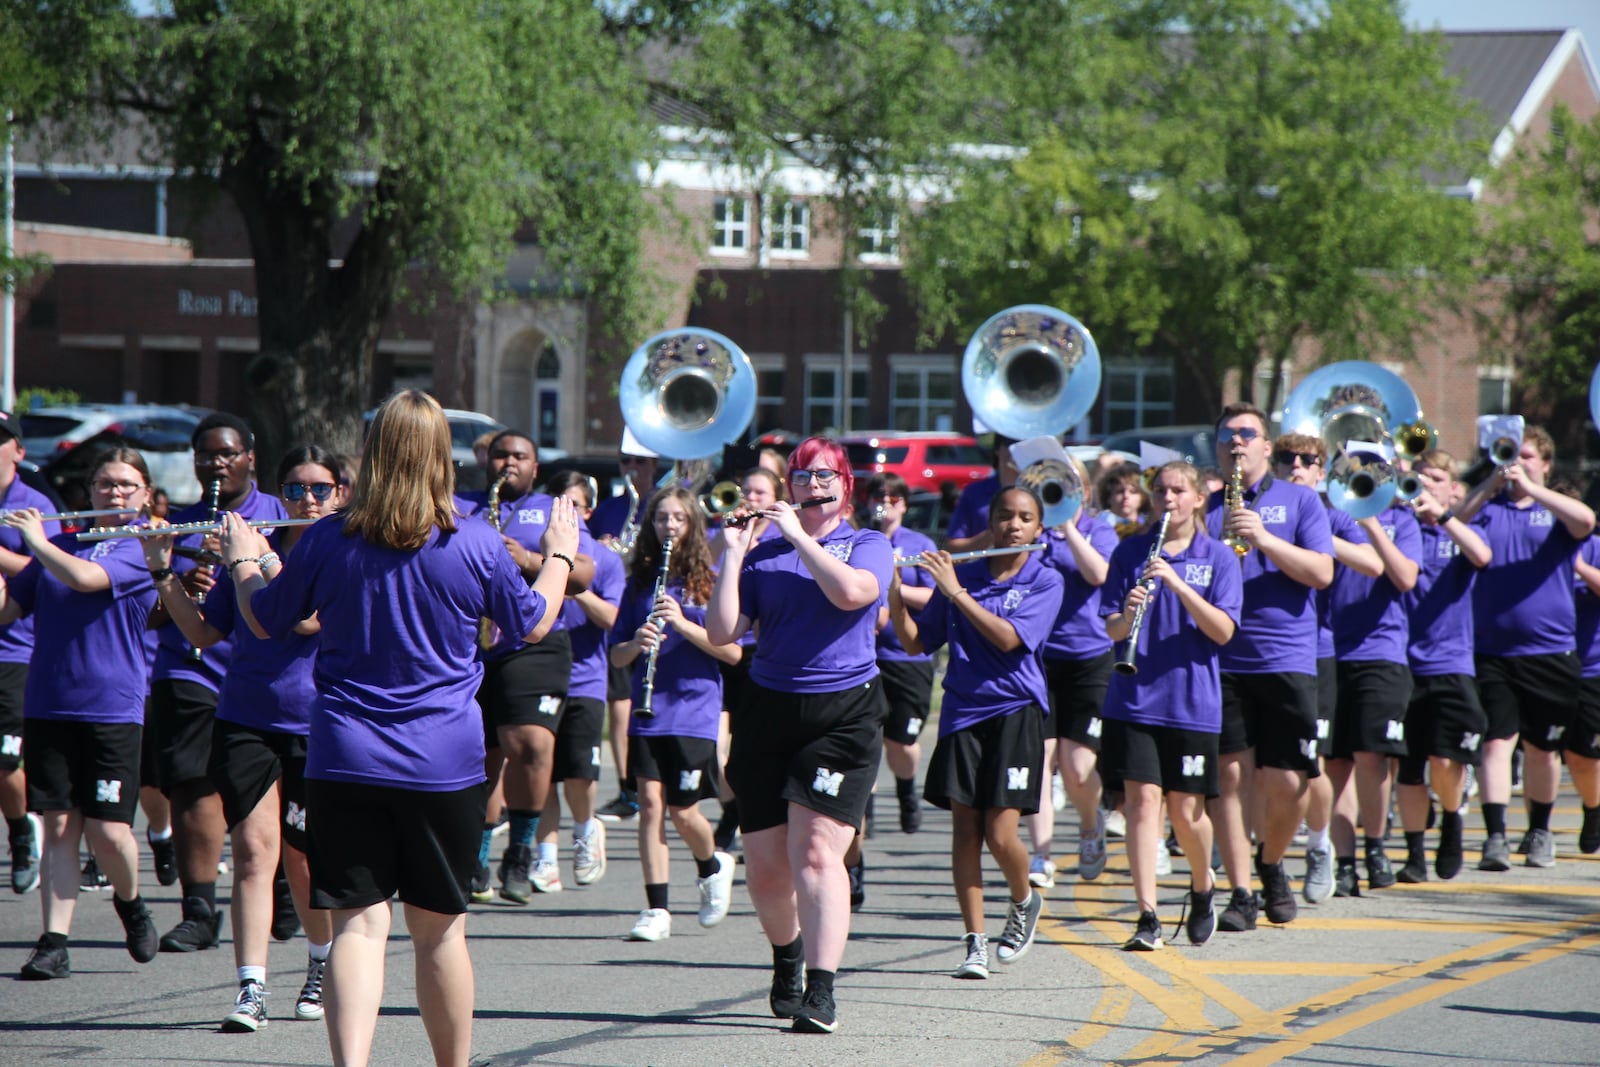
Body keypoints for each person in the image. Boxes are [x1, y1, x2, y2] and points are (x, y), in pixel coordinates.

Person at [222, 390, 580, 1067]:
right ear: (441, 454)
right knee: (441, 934)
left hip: (344, 753)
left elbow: (266, 616)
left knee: (359, 925)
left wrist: (245, 561)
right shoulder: (472, 539)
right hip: (442, 760)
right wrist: (559, 554)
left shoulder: (329, 537)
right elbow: (532, 621)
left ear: (374, 455)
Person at [142, 445, 346, 1031]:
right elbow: (203, 632)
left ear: (341, 495)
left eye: (319, 490)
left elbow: (303, 620)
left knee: (306, 862)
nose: (306, 500)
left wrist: (252, 561)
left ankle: (319, 964)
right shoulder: (251, 552)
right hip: (248, 719)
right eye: (295, 490)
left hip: (320, 723)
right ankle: (251, 989)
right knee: (257, 854)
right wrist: (162, 570)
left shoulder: (341, 555)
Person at [707, 436, 893, 1034]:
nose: (811, 487)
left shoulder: (868, 545)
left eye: (823, 476)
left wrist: (797, 537)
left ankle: (821, 988)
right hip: (769, 710)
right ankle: (786, 956)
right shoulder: (762, 554)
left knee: (815, 852)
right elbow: (722, 633)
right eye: (801, 478)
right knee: (764, 868)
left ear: (845, 485)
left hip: (842, 715)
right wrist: (735, 554)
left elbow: (851, 594)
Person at [888, 486, 1062, 979]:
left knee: (1000, 831)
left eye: (1024, 518)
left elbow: (1009, 639)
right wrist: (895, 591)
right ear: (991, 524)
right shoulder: (965, 575)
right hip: (964, 712)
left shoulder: (1045, 581)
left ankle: (1025, 900)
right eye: (1004, 516)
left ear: (1038, 529)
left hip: (1016, 712)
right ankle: (974, 943)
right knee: (965, 831)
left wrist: (954, 591)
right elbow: (918, 642)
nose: (1013, 525)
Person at [1, 447, 161, 979]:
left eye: (125, 485)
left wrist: (36, 542)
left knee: (111, 833)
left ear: (145, 494)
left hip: (111, 707)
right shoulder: (61, 543)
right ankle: (53, 941)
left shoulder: (144, 545)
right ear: (88, 492)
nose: (113, 493)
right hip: (49, 703)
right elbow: (10, 610)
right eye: (103, 485)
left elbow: (87, 580)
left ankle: (131, 902)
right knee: (60, 824)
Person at [146, 412, 287, 953]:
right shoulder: (178, 523)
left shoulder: (281, 513)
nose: (216, 464)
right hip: (191, 663)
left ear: (250, 456)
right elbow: (148, 617)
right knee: (191, 780)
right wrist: (180, 579)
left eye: (227, 453)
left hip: (263, 668)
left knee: (276, 792)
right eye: (205, 455)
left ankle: (284, 888)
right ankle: (200, 909)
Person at [1101, 462, 1242, 950]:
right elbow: (1111, 630)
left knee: (1187, 813)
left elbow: (1223, 631)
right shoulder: (1129, 551)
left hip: (1191, 702)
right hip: (1134, 699)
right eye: (1160, 490)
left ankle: (1202, 887)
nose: (1168, 498)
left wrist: (1177, 585)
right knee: (1142, 805)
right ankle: (1147, 916)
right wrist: (1128, 614)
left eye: (1178, 490)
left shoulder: (1219, 558)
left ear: (1199, 498)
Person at [1205, 402, 1334, 933]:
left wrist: (1264, 539)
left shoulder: (1300, 499)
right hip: (1225, 658)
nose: (1236, 441)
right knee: (1230, 781)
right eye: (1227, 434)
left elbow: (1322, 572)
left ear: (1265, 445)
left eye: (1247, 434)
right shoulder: (1207, 509)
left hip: (1285, 657)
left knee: (1288, 782)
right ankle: (1239, 891)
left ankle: (1273, 863)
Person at [457, 431, 596, 901]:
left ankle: (519, 854)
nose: (509, 462)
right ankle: (474, 856)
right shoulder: (460, 504)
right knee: (481, 753)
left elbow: (583, 573)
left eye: (521, 455)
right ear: (486, 461)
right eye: (501, 454)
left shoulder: (552, 508)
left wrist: (530, 559)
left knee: (531, 744)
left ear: (536, 468)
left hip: (534, 640)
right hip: (469, 641)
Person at [1456, 426, 1595, 870]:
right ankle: (1495, 835)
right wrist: (1490, 483)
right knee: (1496, 743)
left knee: (1542, 748)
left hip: (1550, 650)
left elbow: (1585, 522)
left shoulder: (1554, 511)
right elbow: (1451, 520)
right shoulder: (1486, 509)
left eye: (1529, 456)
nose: (1517, 463)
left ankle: (1539, 830)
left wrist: (1534, 489)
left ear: (1546, 464)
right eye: (1510, 455)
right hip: (1492, 649)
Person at [610, 486, 739, 941]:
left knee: (684, 812)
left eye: (679, 519)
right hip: (649, 707)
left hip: (694, 708)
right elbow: (616, 655)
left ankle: (713, 863)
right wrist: (636, 643)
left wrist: (683, 623)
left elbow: (733, 652)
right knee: (649, 805)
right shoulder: (639, 584)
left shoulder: (712, 577)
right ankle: (657, 909)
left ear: (692, 525)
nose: (670, 526)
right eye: (662, 518)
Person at [1269, 434, 1379, 904]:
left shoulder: (1333, 515)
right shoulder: (1256, 508)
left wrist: (1314, 535)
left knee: (1312, 762)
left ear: (1321, 471)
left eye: (1307, 460)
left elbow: (1372, 563)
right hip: (1254, 652)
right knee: (1255, 765)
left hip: (1314, 653)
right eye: (1286, 459)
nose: (1295, 466)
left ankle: (1319, 846)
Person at [1324, 455, 1421, 894]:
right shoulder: (1325, 516)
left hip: (1381, 652)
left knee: (1371, 754)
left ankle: (1376, 845)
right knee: (1336, 762)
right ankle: (1344, 861)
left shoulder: (1403, 521)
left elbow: (1404, 578)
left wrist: (1370, 523)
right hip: (1328, 650)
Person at [1396, 450, 1491, 882]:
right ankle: (1414, 854)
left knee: (1445, 759)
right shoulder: (1402, 529)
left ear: (1453, 487)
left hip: (1450, 662)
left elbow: (1482, 556)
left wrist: (1444, 516)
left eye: (1436, 477)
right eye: (1421, 476)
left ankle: (1451, 819)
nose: (1426, 482)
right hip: (1402, 663)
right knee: (1410, 766)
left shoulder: (1458, 530)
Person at [1027, 455, 1116, 889]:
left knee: (1077, 767)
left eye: (1067, 488)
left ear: (1082, 491)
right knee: (1040, 760)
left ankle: (1088, 825)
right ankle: (1041, 856)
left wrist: (1066, 528)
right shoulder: (1035, 531)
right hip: (1041, 659)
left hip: (1089, 658)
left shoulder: (1099, 530)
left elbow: (1099, 573)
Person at [537, 470, 626, 892]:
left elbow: (613, 619)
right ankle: (546, 857)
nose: (561, 511)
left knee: (578, 774)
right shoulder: (535, 548)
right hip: (539, 675)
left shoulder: (605, 560)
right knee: (539, 772)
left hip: (586, 679)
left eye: (570, 504)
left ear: (588, 510)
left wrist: (572, 584)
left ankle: (587, 829)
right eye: (555, 502)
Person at [709, 466, 789, 853]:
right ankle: (733, 810)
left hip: (756, 653)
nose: (751, 499)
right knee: (717, 747)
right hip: (716, 649)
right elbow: (702, 564)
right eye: (746, 491)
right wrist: (732, 538)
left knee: (746, 744)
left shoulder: (781, 536)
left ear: (775, 498)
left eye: (759, 493)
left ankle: (736, 817)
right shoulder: (728, 530)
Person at [0, 410, 56, 895]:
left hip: (14, 649)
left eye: (0, 441)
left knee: (5, 761)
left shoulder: (34, 505)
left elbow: (45, 567)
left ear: (19, 451)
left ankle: (21, 832)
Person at [867, 473, 938, 839]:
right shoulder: (861, 540)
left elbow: (933, 599)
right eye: (880, 496)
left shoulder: (919, 544)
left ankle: (907, 791)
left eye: (894, 498)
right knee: (867, 735)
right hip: (868, 657)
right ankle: (865, 810)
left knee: (903, 741)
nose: (886, 503)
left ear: (905, 505)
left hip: (908, 659)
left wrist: (895, 587)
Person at [944, 435, 1018, 554]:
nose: (1016, 450)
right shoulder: (974, 492)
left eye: (1022, 444)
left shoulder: (1041, 491)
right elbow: (952, 549)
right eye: (1010, 444)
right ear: (997, 449)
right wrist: (991, 535)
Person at [1096, 463, 1152, 539]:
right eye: (1120, 491)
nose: (1126, 496)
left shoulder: (1150, 526)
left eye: (1133, 492)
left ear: (1142, 497)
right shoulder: (1099, 525)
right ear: (1108, 497)